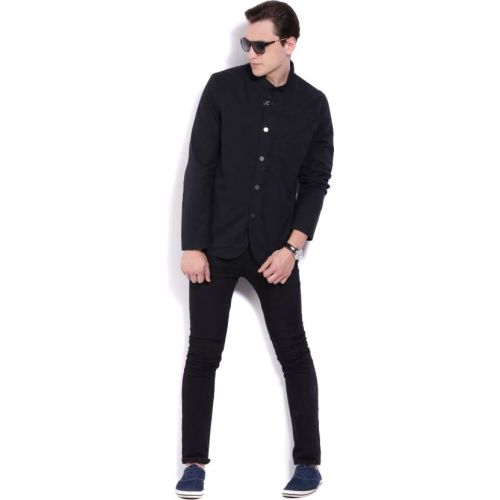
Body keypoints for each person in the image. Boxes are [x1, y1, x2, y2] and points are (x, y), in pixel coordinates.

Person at [175, 1, 333, 497]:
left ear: (290, 44)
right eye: (247, 43)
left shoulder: (313, 104)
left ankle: (308, 464)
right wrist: (192, 245)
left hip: (275, 253)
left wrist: (293, 247)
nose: (251, 52)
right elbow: (200, 168)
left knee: (295, 352)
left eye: (261, 45)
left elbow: (315, 181)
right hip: (215, 249)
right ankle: (193, 464)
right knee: (203, 353)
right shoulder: (221, 89)